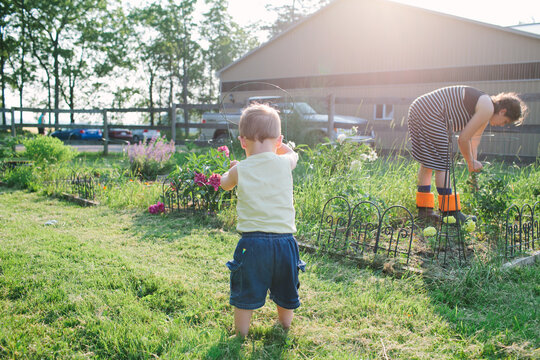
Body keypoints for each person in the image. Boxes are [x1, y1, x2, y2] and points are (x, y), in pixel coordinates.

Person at [220, 103, 304, 337]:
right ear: (278, 141)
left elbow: (225, 183)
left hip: (252, 244)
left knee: (245, 290)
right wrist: (284, 147)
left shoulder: (242, 169)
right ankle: (285, 325)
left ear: (242, 141)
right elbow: (293, 156)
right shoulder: (284, 162)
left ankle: (241, 333)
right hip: (285, 242)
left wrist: (232, 169)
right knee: (286, 287)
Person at [408, 86, 528, 223]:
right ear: (502, 111)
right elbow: (463, 139)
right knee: (443, 164)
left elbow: (473, 142)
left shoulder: (485, 109)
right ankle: (450, 213)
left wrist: (473, 173)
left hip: (419, 107)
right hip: (431, 111)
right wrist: (470, 161)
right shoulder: (487, 108)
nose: (502, 125)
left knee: (428, 162)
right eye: (506, 121)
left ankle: (424, 211)